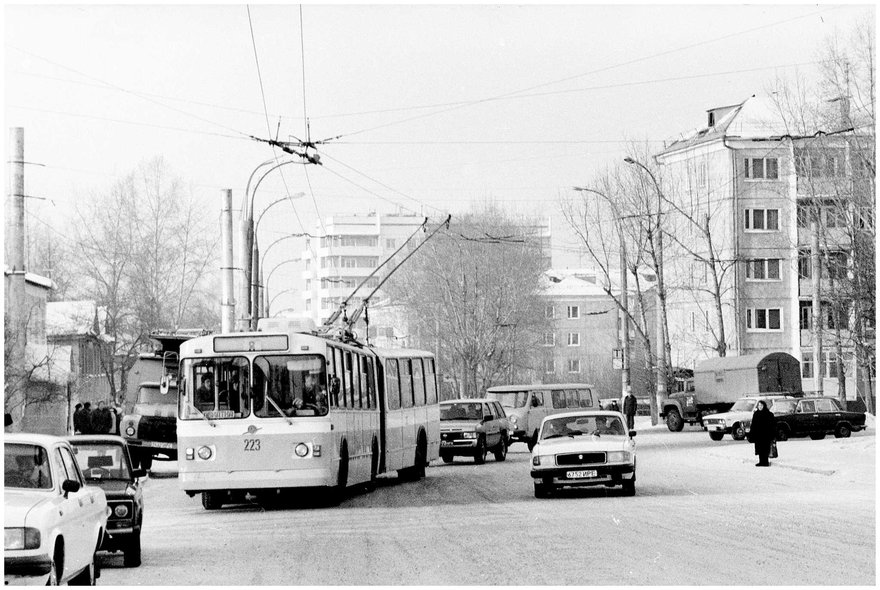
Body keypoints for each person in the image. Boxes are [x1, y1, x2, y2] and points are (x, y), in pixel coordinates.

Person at [748, 400, 777, 467]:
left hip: (766, 435)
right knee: (759, 449)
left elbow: (773, 425)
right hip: (758, 435)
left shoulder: (768, 414)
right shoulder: (756, 414)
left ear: (764, 406)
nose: (760, 407)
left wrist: (772, 434)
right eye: (759, 405)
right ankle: (761, 461)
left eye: (761, 405)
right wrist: (751, 433)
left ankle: (765, 462)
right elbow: (753, 425)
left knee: (765, 449)